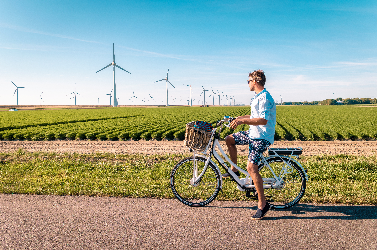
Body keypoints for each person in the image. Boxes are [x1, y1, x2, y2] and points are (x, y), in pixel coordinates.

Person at [224, 69, 276, 220]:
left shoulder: (265, 97)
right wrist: (238, 117)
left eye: (248, 81)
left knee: (251, 167)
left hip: (261, 137)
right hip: (253, 133)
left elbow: (263, 120)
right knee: (229, 139)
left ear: (255, 81)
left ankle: (262, 205)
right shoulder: (257, 97)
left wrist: (242, 121)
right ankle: (234, 169)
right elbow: (254, 116)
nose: (247, 84)